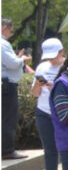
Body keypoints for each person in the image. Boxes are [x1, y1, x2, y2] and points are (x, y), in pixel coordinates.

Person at [31, 38, 66, 170]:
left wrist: (56, 86)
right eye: (49, 56)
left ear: (62, 52)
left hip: (64, 113)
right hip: (44, 112)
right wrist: (39, 84)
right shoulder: (42, 67)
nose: (52, 60)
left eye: (55, 56)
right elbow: (35, 93)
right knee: (50, 150)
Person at [2, 18, 32, 159]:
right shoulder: (3, 43)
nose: (11, 33)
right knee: (8, 118)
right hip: (7, 85)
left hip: (6, 84)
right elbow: (12, 64)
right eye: (10, 30)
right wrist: (23, 59)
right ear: (4, 28)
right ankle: (7, 150)